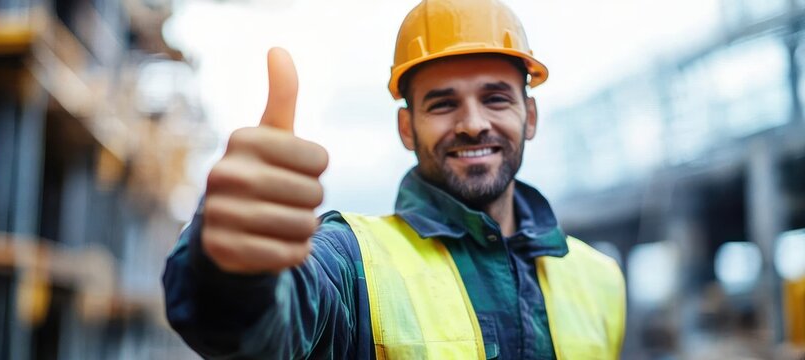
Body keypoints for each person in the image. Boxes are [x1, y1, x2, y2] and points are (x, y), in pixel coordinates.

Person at [163, 0, 626, 358]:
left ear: (530, 117)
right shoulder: (352, 261)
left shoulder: (599, 279)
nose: (472, 123)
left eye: (496, 98)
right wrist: (231, 271)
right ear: (407, 128)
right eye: (443, 104)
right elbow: (259, 330)